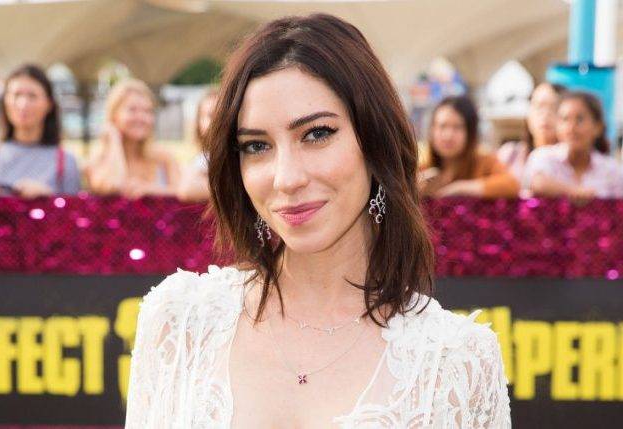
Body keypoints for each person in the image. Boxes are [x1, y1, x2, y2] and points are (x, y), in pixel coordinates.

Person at [125, 14, 510, 428]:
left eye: (317, 134)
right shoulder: (179, 323)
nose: (286, 178)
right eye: (256, 146)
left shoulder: (458, 365)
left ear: (375, 141)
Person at [0, 64, 80, 198]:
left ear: (49, 104)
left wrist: (49, 199)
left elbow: (74, 209)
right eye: (16, 95)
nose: (23, 104)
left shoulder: (66, 162)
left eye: (32, 96)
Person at [84, 78, 180, 199]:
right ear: (114, 114)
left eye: (148, 111)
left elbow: (183, 193)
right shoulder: (97, 160)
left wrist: (151, 189)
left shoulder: (164, 157)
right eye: (132, 110)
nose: (142, 117)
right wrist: (114, 139)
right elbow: (111, 185)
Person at [522, 91, 623, 201]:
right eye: (564, 119)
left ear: (598, 127)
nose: (571, 128)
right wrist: (573, 191)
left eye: (580, 119)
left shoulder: (611, 170)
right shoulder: (543, 157)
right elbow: (538, 184)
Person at [420, 95, 519, 199]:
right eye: (442, 126)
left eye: (457, 127)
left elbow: (512, 185)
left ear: (470, 133)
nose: (448, 135)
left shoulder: (484, 162)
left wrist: (460, 188)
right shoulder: (422, 165)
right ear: (432, 130)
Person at [497, 82, 565, 180]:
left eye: (554, 108)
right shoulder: (510, 155)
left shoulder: (574, 163)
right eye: (539, 106)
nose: (545, 114)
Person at [176, 89, 218, 202]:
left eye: (223, 115)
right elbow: (186, 189)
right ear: (198, 123)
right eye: (211, 115)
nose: (218, 121)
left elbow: (186, 189)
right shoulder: (203, 158)